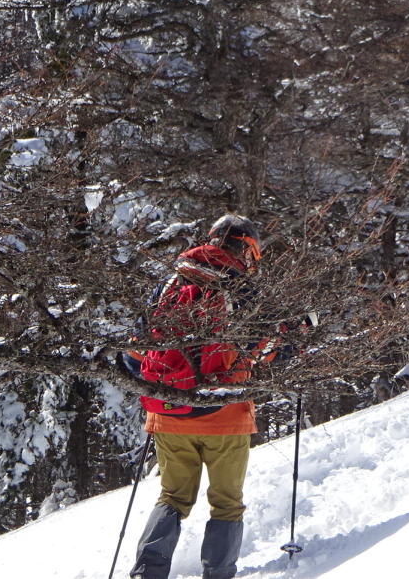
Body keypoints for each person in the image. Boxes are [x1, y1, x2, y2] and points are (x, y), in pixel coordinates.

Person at [123, 214, 275, 579]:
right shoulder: (243, 290)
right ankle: (218, 574)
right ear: (246, 248)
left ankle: (148, 573)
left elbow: (134, 353)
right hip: (226, 414)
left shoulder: (169, 284)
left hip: (168, 412)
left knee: (172, 498)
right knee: (226, 503)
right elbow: (263, 350)